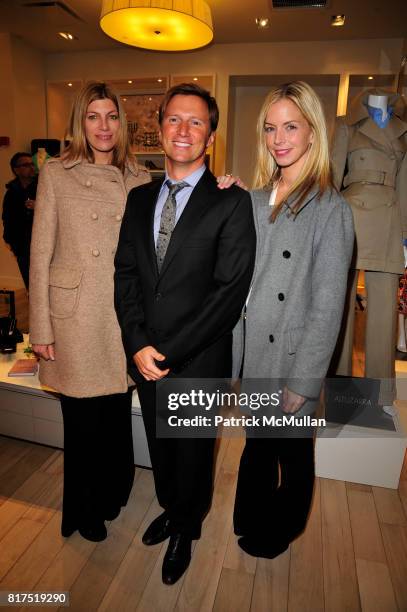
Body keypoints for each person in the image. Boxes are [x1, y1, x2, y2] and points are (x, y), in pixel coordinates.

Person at [114, 83, 256, 584]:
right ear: (159, 126)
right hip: (145, 353)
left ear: (211, 136)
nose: (184, 130)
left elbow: (228, 292)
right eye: (175, 119)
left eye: (196, 122)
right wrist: (137, 344)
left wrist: (170, 350)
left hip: (197, 356)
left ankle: (186, 530)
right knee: (159, 443)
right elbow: (127, 275)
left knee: (193, 449)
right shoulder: (138, 198)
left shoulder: (231, 202)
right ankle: (172, 509)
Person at [230, 81, 354, 559]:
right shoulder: (256, 200)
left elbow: (328, 306)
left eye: (290, 127)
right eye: (269, 128)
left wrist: (304, 381)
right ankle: (251, 517)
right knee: (258, 447)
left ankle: (280, 529)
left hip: (293, 357)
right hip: (255, 354)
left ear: (312, 134)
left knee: (295, 455)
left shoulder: (330, 208)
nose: (278, 138)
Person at [29, 81, 150, 542]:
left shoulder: (139, 178)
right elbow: (40, 253)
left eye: (112, 116)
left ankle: (116, 488)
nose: (103, 126)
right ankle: (85, 507)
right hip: (75, 315)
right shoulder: (58, 173)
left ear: (123, 123)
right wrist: (41, 325)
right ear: (81, 122)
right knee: (82, 421)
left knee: (117, 410)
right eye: (93, 116)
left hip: (123, 315)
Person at [2, 152, 37, 289]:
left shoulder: (42, 187)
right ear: (16, 170)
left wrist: (39, 205)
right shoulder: (12, 192)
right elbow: (7, 218)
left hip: (42, 244)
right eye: (26, 165)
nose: (31, 167)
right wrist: (10, 240)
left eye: (32, 164)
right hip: (22, 247)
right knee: (30, 285)